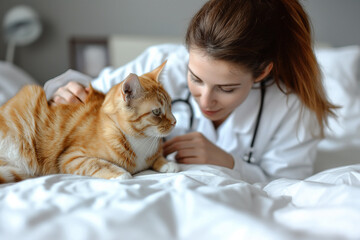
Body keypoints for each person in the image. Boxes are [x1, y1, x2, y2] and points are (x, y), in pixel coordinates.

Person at [45, 0, 335, 183]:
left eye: (227, 88)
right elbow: (90, 89)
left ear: (261, 73)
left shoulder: (293, 110)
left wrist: (230, 163)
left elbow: (290, 183)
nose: (205, 101)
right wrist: (61, 90)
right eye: (195, 79)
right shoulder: (156, 66)